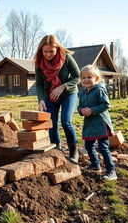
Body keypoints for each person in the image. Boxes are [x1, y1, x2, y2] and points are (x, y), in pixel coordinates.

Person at [34, 35, 80, 163]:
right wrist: (41, 99)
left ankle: (74, 152)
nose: (48, 54)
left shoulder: (66, 58)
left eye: (51, 51)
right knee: (52, 123)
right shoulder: (39, 63)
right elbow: (39, 84)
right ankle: (56, 151)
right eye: (45, 51)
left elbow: (78, 77)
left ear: (57, 49)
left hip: (68, 93)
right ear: (41, 50)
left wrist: (63, 86)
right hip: (50, 95)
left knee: (66, 121)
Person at [78, 65, 117, 181]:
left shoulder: (99, 90)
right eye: (83, 77)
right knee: (88, 145)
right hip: (89, 124)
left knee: (103, 147)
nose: (86, 80)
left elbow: (106, 104)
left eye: (89, 77)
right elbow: (80, 105)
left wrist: (92, 110)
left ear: (96, 78)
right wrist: (81, 111)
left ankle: (111, 171)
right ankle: (95, 164)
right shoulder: (82, 91)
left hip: (101, 124)